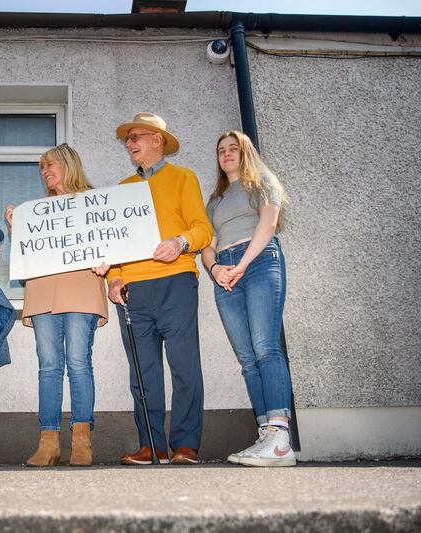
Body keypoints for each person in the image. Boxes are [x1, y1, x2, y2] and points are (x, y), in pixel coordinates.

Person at [95, 112, 212, 465]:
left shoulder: (183, 178)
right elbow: (113, 244)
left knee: (184, 365)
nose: (130, 144)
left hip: (176, 281)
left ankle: (186, 444)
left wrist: (180, 241)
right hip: (132, 290)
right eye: (128, 140)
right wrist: (113, 276)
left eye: (136, 137)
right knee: (142, 373)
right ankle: (152, 446)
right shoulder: (121, 188)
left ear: (157, 140)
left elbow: (203, 229)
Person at [4, 144, 108, 467]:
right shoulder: (36, 212)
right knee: (48, 366)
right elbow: (25, 256)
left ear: (69, 165)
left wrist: (108, 261)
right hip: (44, 290)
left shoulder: (96, 202)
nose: (46, 172)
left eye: (51, 166)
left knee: (78, 363)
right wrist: (15, 228)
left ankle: (82, 441)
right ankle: (48, 442)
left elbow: (111, 241)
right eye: (42, 168)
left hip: (81, 287)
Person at [201, 130, 295, 467]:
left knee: (266, 348)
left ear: (245, 153)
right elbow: (207, 244)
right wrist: (216, 270)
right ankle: (265, 435)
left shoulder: (262, 182)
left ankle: (281, 438)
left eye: (233, 149)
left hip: (258, 264)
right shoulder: (215, 200)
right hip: (225, 273)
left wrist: (241, 265)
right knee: (247, 358)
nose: (226, 154)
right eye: (221, 150)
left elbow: (267, 225)